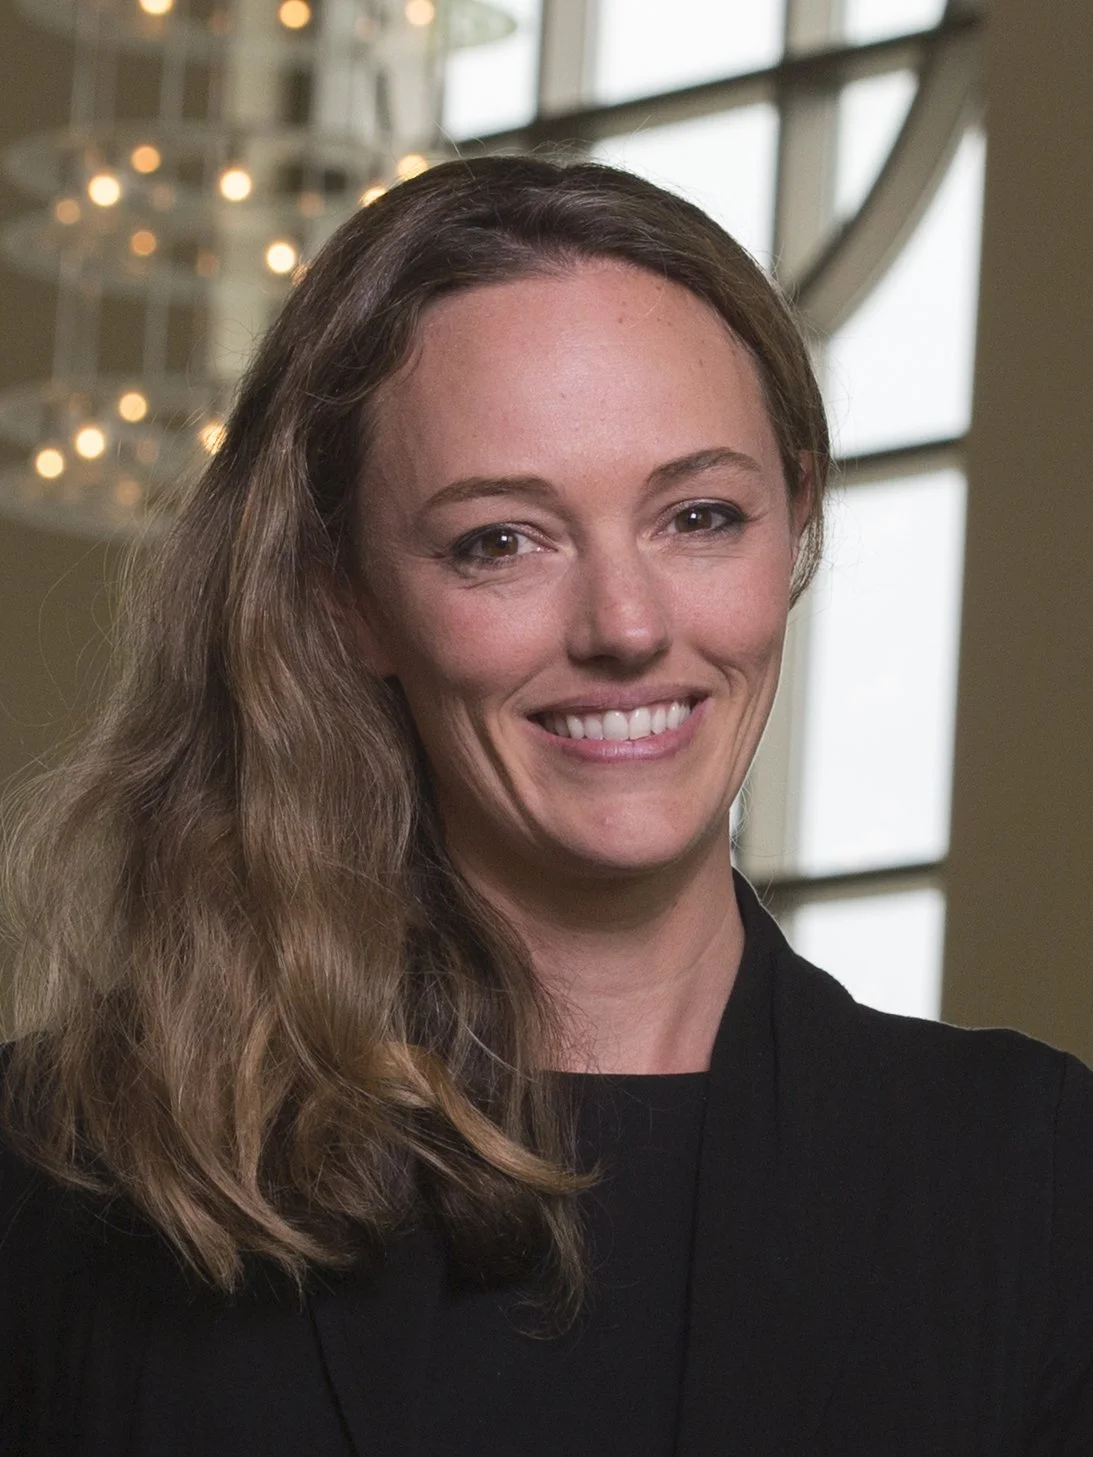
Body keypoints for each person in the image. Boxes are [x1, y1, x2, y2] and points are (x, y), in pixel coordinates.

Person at [1, 154, 1090, 1456]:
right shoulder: (64, 1170)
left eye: (699, 515)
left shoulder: (1034, 1182)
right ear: (344, 596)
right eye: (499, 541)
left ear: (795, 517)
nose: (627, 627)